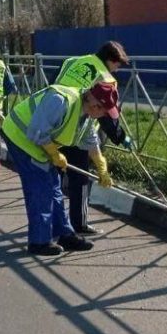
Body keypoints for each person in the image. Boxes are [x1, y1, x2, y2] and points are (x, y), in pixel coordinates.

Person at [1, 82, 118, 256]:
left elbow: (91, 141)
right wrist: (55, 155)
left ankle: (64, 234)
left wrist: (102, 167)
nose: (105, 116)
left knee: (54, 186)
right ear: (95, 105)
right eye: (104, 112)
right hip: (20, 137)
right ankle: (38, 242)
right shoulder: (60, 100)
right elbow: (37, 131)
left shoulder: (86, 115)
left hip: (40, 144)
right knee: (40, 187)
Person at [54, 41, 132, 235]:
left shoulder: (72, 61)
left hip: (56, 126)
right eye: (117, 64)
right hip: (79, 130)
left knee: (54, 178)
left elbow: (53, 85)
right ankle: (78, 224)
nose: (117, 69)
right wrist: (121, 137)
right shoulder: (105, 78)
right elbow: (105, 114)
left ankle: (54, 222)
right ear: (109, 60)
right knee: (80, 179)